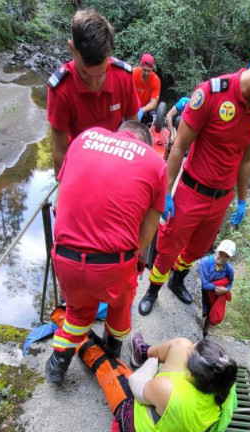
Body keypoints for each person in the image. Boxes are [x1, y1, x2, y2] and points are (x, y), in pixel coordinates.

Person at [138, 40, 250, 316]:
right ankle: (152, 289)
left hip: (221, 199)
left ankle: (177, 281)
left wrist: (241, 200)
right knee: (168, 248)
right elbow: (178, 146)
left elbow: (247, 158)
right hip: (192, 191)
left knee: (198, 248)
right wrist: (165, 192)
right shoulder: (212, 94)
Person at [45, 121, 167, 383]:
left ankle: (59, 359)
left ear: (120, 131)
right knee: (121, 300)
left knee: (78, 310)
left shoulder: (85, 137)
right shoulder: (155, 162)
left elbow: (58, 204)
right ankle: (113, 347)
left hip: (65, 258)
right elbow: (145, 236)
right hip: (111, 268)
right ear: (144, 142)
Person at [77, 332, 237, 432]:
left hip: (135, 421)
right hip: (173, 411)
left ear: (189, 374)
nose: (187, 352)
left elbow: (136, 384)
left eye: (189, 356)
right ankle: (142, 351)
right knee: (182, 343)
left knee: (104, 360)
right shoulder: (224, 383)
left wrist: (150, 367)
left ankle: (79, 338)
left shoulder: (168, 390)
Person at [47, 8, 140, 178]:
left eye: (101, 74)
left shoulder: (123, 77)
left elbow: (134, 129)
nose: (95, 81)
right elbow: (59, 151)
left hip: (116, 158)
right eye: (86, 74)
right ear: (71, 49)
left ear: (109, 53)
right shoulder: (61, 89)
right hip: (79, 163)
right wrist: (65, 186)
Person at [199, 239, 235, 337]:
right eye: (221, 253)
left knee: (212, 312)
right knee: (204, 311)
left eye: (226, 256)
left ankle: (204, 332)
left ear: (230, 258)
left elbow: (230, 283)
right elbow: (204, 284)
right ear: (217, 250)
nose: (222, 258)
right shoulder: (205, 262)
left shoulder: (229, 270)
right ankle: (199, 330)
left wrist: (226, 289)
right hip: (203, 292)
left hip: (215, 295)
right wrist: (221, 287)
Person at [132, 53, 161, 125]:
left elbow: (153, 103)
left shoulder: (156, 80)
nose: (146, 73)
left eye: (149, 70)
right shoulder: (133, 73)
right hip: (131, 107)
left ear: (152, 68)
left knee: (153, 115)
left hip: (145, 109)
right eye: (144, 70)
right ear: (140, 65)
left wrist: (141, 110)